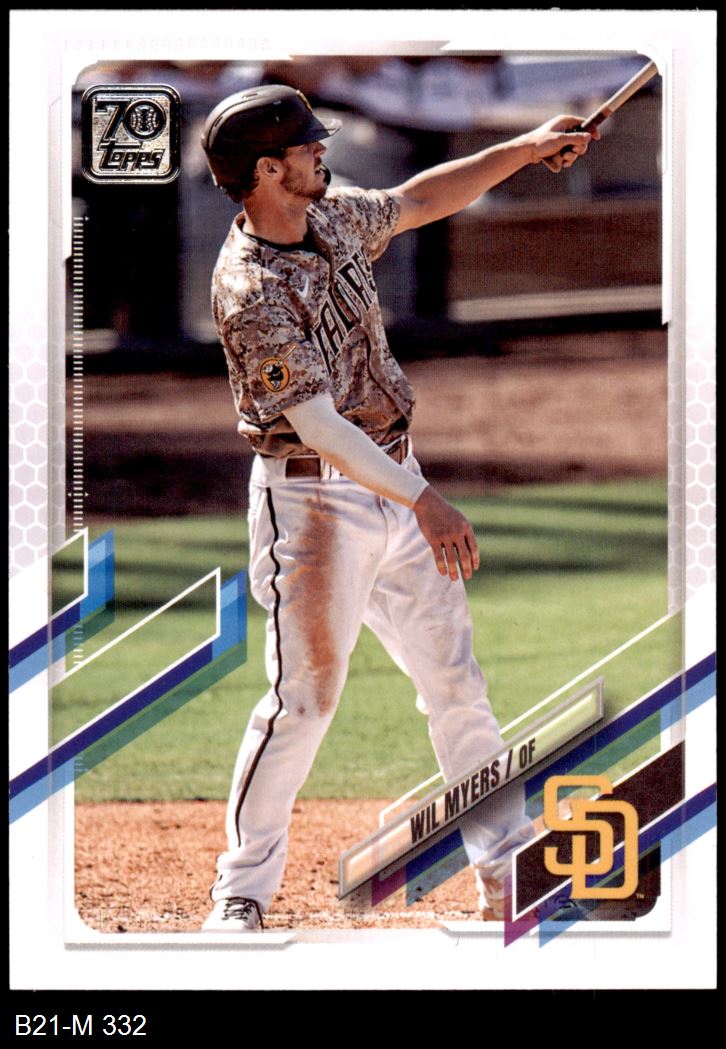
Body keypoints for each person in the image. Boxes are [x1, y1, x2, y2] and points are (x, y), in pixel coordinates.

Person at [199, 84, 596, 932]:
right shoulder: (249, 287)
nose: (321, 151)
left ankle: (509, 872)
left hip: (398, 478)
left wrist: (527, 147)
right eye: (305, 146)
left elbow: (419, 199)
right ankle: (241, 891)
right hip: (314, 504)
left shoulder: (332, 217)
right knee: (304, 702)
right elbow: (317, 424)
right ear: (265, 171)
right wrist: (425, 501)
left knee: (456, 683)